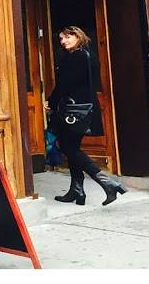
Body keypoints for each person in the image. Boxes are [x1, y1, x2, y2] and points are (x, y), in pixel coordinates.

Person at [46, 26, 126, 206]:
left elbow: (65, 84)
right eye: (61, 38)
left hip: (73, 110)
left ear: (78, 36)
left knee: (68, 147)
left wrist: (51, 102)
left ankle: (107, 183)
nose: (63, 41)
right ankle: (77, 190)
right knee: (72, 147)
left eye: (68, 37)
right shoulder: (89, 55)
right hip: (85, 108)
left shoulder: (75, 57)